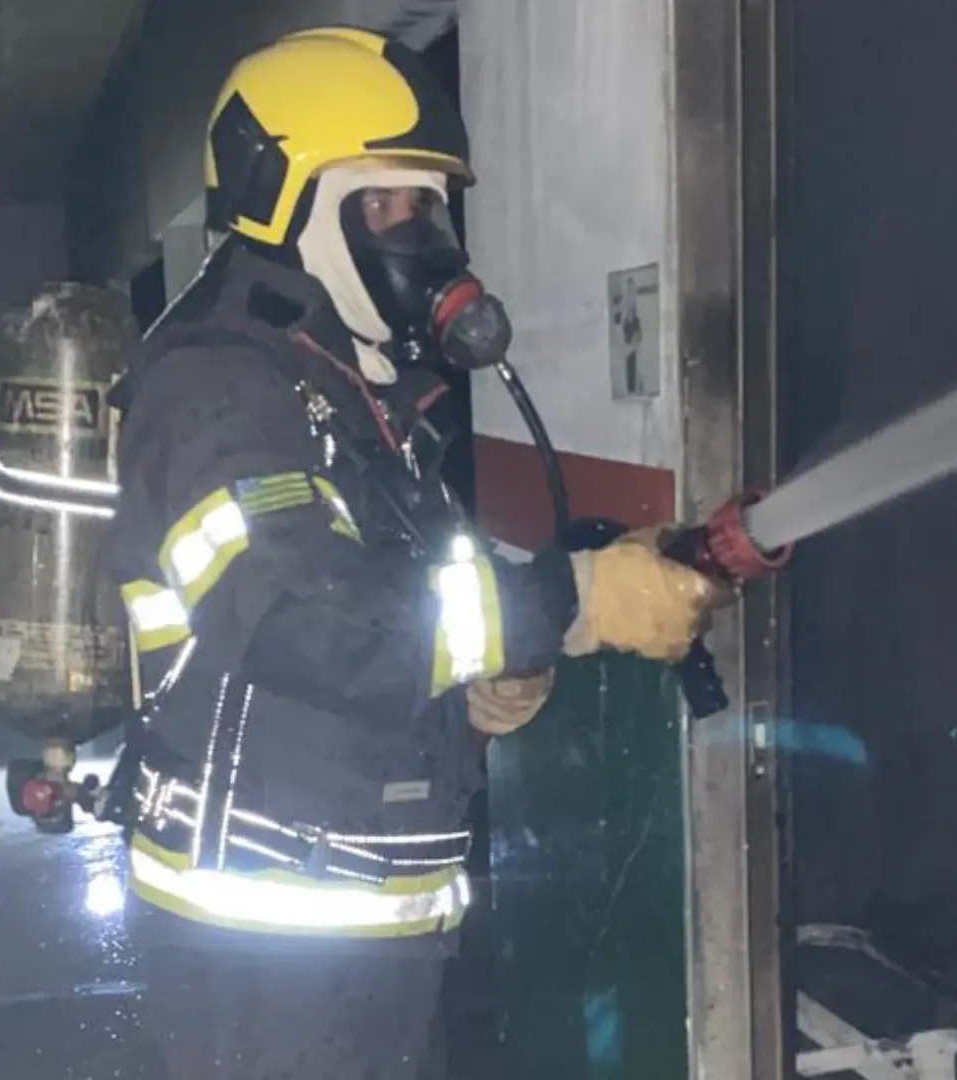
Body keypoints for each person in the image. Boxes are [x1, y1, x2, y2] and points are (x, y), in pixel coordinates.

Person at [102, 26, 721, 1078]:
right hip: (265, 953)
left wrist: (479, 687)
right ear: (286, 200)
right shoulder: (218, 390)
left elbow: (401, 606)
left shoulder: (353, 392)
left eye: (429, 206)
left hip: (362, 934)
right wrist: (570, 601)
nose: (422, 236)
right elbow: (311, 625)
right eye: (384, 203)